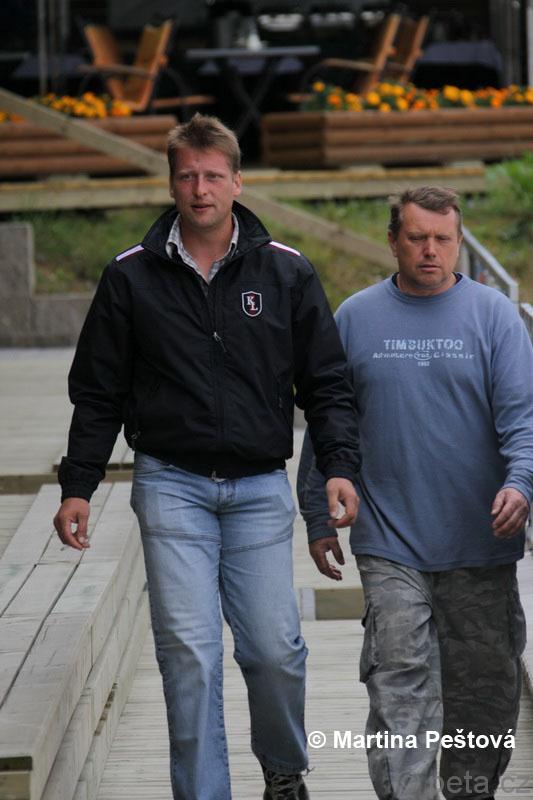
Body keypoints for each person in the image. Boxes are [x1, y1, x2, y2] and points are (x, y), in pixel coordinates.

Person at [53, 113, 360, 800]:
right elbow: (97, 391)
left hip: (259, 488)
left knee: (274, 651)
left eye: (213, 176)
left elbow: (327, 385)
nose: (200, 189)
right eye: (187, 176)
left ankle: (283, 770)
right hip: (171, 485)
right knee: (188, 655)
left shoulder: (285, 271)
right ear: (171, 183)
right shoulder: (130, 277)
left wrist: (339, 466)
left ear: (237, 182)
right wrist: (78, 485)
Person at [297, 186, 533, 800]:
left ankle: (468, 791)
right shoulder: (355, 317)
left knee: (483, 694)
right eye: (417, 238)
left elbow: (524, 419)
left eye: (443, 239)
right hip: (388, 540)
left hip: (480, 540)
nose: (431, 250)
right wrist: (317, 514)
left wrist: (521, 483)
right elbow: (329, 421)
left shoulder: (495, 316)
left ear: (459, 242)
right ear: (393, 240)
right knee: (400, 684)